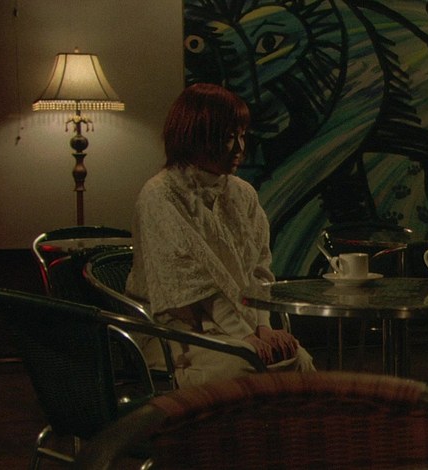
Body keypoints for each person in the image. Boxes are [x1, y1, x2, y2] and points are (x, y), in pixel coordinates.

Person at [126, 83, 315, 387]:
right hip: (174, 331)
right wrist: (245, 336)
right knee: (246, 364)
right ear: (196, 137)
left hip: (244, 323)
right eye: (228, 138)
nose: (240, 148)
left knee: (296, 356)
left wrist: (263, 328)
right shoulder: (160, 195)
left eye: (242, 135)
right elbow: (190, 287)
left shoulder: (242, 194)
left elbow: (258, 270)